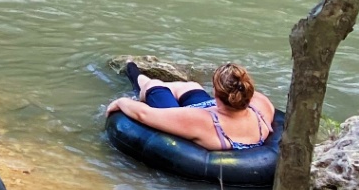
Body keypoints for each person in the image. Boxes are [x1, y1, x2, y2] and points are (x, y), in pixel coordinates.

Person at [107, 62, 276, 151]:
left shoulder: (202, 121)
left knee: (154, 86)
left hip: (205, 121)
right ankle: (162, 85)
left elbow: (143, 115)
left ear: (216, 94)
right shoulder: (261, 104)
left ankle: (135, 73)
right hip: (216, 113)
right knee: (190, 86)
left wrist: (121, 102)